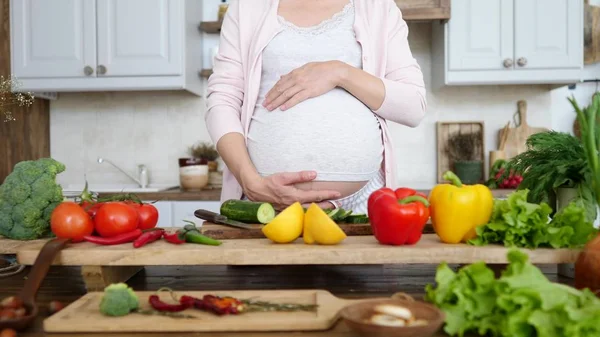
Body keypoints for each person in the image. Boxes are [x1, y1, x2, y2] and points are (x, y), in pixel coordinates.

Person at [205, 0, 427, 214]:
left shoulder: (378, 7)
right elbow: (222, 100)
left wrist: (340, 73)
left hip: (363, 204)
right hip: (265, 201)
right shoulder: (247, 8)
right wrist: (250, 182)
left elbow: (413, 105)